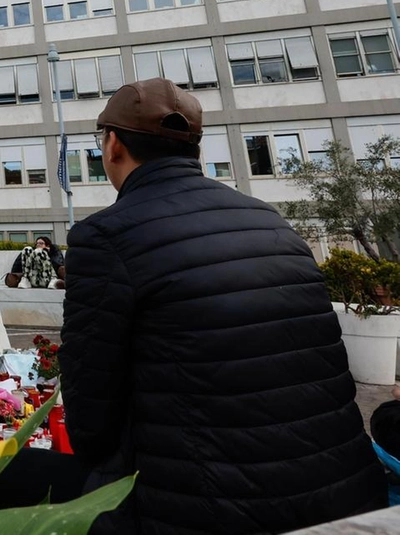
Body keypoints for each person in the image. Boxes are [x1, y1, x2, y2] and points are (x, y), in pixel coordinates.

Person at [59, 78, 385, 533]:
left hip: (208, 507)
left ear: (112, 145)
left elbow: (90, 416)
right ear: (194, 149)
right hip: (344, 494)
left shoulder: (105, 237)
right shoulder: (270, 221)